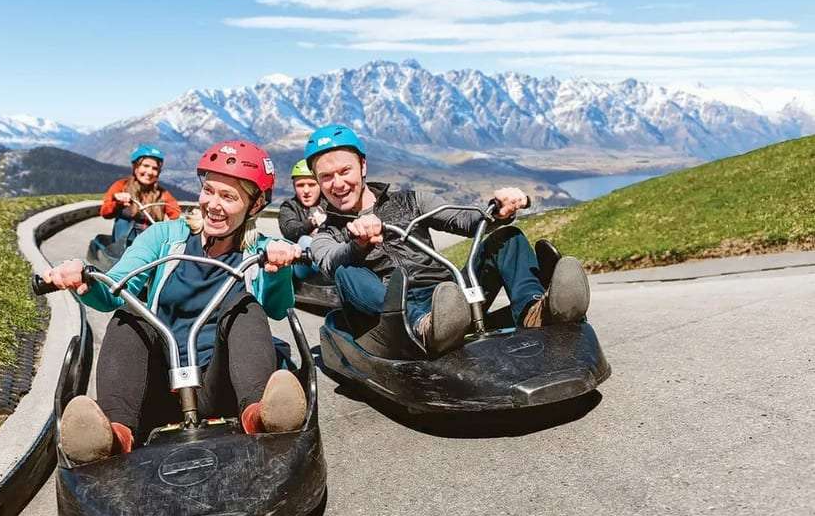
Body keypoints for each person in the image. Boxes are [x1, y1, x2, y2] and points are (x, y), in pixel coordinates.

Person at [44, 140, 307, 465]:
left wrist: (279, 267)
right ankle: (115, 435)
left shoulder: (260, 250)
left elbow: (277, 307)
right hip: (158, 383)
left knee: (245, 306)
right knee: (131, 315)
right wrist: (85, 277)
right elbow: (114, 289)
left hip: (221, 384)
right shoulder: (165, 236)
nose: (213, 204)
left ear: (255, 206)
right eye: (208, 191)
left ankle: (260, 416)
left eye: (228, 197)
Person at [305, 124, 590, 355]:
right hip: (395, 317)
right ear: (318, 181)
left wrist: (500, 210)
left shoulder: (412, 201)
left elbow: (467, 221)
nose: (338, 184)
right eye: (326, 177)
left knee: (507, 238)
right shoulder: (327, 233)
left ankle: (534, 310)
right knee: (346, 271)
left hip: (449, 298)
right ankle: (425, 326)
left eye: (345, 171)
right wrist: (358, 243)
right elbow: (330, 261)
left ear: (362, 166)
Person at [100, 144, 182, 247]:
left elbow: (176, 214)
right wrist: (117, 203)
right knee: (123, 221)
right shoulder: (121, 186)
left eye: (155, 168)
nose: (150, 172)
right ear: (136, 167)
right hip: (123, 243)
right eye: (146, 166)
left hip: (150, 243)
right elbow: (105, 212)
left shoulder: (163, 194)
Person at [278, 159, 328, 279]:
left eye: (311, 185)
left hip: (329, 257)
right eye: (300, 185)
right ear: (294, 187)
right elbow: (290, 230)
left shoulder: (331, 204)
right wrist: (313, 222)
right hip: (301, 264)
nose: (306, 191)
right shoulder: (289, 206)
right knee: (305, 241)